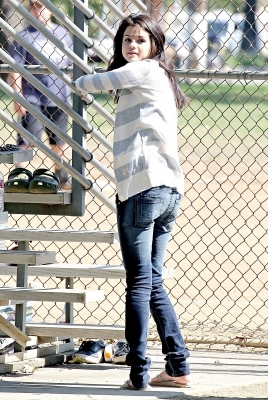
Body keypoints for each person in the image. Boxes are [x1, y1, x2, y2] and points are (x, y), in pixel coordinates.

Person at [75, 13, 191, 390]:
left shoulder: (144, 71)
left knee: (139, 282)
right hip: (166, 189)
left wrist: (78, 76)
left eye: (141, 40)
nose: (132, 46)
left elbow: (86, 83)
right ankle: (177, 366)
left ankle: (138, 373)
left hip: (144, 188)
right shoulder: (155, 76)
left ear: (154, 46)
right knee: (152, 280)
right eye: (127, 40)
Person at [8, 0, 72, 189]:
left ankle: (62, 175)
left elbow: (71, 66)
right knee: (27, 139)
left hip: (59, 96)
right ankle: (19, 176)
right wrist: (18, 96)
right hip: (32, 98)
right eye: (33, 7)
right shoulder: (23, 36)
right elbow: (15, 69)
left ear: (50, 9)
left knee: (59, 142)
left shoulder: (62, 34)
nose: (37, 11)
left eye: (41, 6)